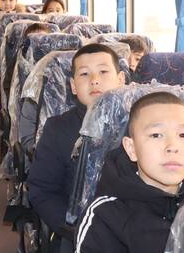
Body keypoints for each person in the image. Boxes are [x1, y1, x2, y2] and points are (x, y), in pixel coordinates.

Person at [74, 92, 184, 253]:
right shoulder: (106, 215)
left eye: (183, 135)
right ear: (131, 148)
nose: (172, 146)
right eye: (156, 135)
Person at [27, 44, 125, 233]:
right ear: (73, 86)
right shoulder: (57, 129)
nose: (95, 80)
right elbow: (42, 191)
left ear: (121, 80)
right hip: (76, 231)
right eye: (84, 74)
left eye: (103, 72)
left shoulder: (140, 126)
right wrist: (76, 231)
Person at [0, 23, 54, 117]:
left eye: (43, 40)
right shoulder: (10, 60)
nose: (39, 44)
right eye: (34, 40)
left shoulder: (54, 62)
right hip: (19, 109)